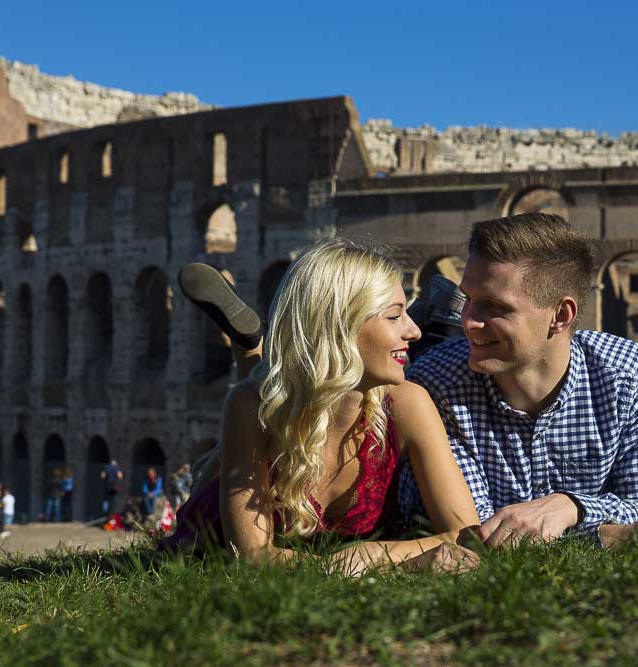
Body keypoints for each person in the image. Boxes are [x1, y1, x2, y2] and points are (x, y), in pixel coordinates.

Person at [397, 213, 638, 549]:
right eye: (468, 300)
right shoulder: (434, 384)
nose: (470, 320)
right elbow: (480, 535)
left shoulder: (626, 373)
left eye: (494, 307)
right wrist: (607, 533)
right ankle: (436, 322)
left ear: (561, 316)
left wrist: (570, 507)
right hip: (445, 359)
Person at [168, 239, 481, 574]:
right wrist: (352, 568)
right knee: (255, 414)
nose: (415, 330)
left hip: (287, 403)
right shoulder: (247, 404)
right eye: (394, 316)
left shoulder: (408, 402)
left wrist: (373, 555)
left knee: (267, 398)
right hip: (211, 528)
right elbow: (252, 556)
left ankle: (253, 353)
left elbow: (465, 535)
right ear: (340, 327)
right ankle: (251, 353)